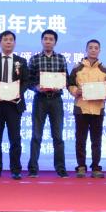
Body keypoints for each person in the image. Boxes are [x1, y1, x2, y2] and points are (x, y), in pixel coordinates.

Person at [0, 30, 29, 180]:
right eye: (5, 39)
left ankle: (15, 169)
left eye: (11, 39)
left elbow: (26, 81)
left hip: (14, 104)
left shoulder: (21, 61)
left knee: (15, 138)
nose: (8, 42)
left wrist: (19, 92)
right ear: (0, 43)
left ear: (14, 43)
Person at [27, 30, 69, 178]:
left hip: (56, 99)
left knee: (58, 136)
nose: (48, 41)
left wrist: (61, 84)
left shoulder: (61, 59)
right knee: (36, 135)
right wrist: (36, 87)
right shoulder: (35, 59)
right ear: (41, 41)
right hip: (40, 99)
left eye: (51, 39)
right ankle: (33, 168)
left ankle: (61, 168)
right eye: (45, 39)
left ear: (55, 42)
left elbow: (66, 79)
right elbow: (29, 80)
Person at [68, 39, 106, 178]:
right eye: (91, 47)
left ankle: (95, 167)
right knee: (80, 139)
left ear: (99, 50)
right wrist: (76, 91)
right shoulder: (77, 68)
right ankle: (81, 166)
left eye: (96, 48)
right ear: (86, 49)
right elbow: (70, 85)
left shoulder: (104, 69)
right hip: (81, 108)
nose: (93, 50)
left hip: (98, 109)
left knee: (96, 140)